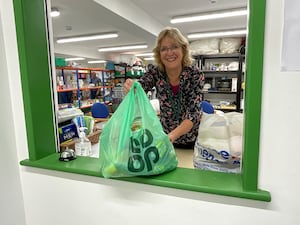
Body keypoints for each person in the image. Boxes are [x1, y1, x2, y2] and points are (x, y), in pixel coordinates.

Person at [124, 27, 202, 148]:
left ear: (183, 49)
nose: (169, 53)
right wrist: (132, 87)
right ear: (159, 54)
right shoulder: (156, 72)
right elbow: (141, 86)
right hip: (165, 138)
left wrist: (171, 136)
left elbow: (194, 114)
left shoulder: (194, 74)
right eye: (164, 49)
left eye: (175, 47)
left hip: (190, 140)